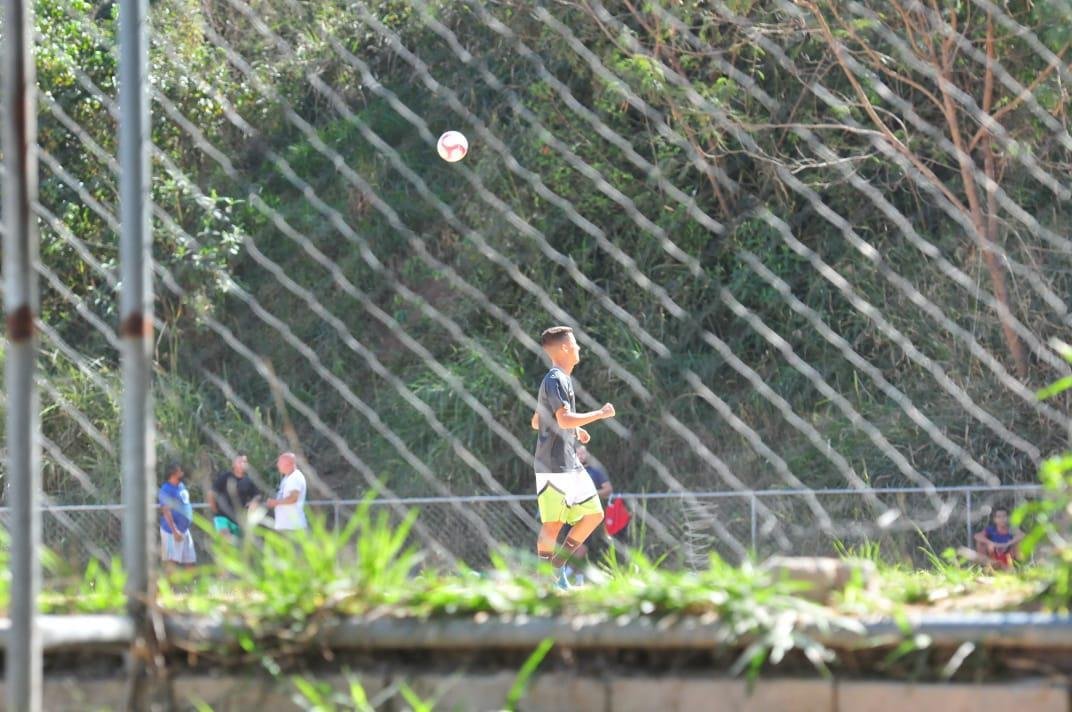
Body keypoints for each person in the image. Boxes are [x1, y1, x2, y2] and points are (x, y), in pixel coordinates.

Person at [530, 326, 616, 588]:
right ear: (565, 348)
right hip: (553, 464)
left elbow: (537, 421)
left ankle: (557, 564)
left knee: (593, 514)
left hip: (570, 462)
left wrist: (575, 428)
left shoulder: (562, 380)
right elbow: (561, 418)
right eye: (575, 343)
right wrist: (599, 414)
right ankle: (547, 578)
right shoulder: (555, 379)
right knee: (553, 525)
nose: (579, 348)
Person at [208, 454, 262, 541]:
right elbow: (211, 493)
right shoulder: (225, 477)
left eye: (244, 462)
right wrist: (214, 509)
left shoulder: (248, 480)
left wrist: (254, 502)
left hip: (238, 520)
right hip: (222, 517)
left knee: (236, 548)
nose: (242, 464)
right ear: (233, 464)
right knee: (226, 541)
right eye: (240, 461)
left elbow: (257, 495)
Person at [159, 462, 196, 567]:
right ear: (173, 474)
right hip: (171, 532)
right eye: (180, 471)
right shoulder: (166, 489)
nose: (182, 473)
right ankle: (169, 584)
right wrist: (175, 531)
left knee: (190, 561)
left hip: (184, 531)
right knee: (172, 562)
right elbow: (166, 511)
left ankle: (191, 584)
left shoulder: (181, 486)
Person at [266, 452, 308, 532]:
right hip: (286, 526)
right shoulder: (287, 478)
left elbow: (293, 498)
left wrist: (275, 502)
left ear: (289, 463)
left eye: (280, 462)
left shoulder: (295, 477)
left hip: (293, 527)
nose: (277, 465)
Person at [974, 506, 1024, 570]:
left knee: (1017, 543)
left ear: (1008, 518)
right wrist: (992, 543)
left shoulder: (1011, 529)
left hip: (1008, 556)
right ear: (995, 519)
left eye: (1004, 516)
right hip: (993, 557)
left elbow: (1022, 535)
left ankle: (1017, 566)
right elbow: (977, 536)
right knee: (981, 543)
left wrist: (1007, 544)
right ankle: (984, 566)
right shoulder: (991, 529)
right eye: (999, 517)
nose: (1002, 519)